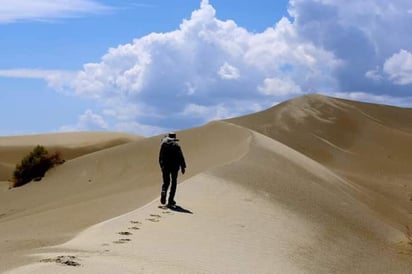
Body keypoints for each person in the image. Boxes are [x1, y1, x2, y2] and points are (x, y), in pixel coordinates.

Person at [159, 132, 186, 206]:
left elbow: (160, 157)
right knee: (173, 182)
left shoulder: (163, 145)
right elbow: (180, 156)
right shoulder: (176, 145)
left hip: (165, 166)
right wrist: (183, 166)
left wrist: (162, 166)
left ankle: (164, 191)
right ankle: (171, 200)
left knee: (166, 182)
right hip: (174, 167)